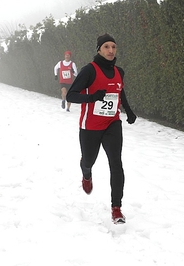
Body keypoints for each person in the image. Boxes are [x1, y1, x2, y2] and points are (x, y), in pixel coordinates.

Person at [66, 33, 137, 224]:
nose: (111, 50)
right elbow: (71, 96)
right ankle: (86, 172)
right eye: (106, 46)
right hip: (90, 126)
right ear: (99, 49)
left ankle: (116, 208)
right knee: (89, 160)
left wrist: (129, 111)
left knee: (116, 163)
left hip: (112, 123)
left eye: (113, 47)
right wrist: (91, 97)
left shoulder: (119, 71)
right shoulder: (89, 70)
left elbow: (120, 91)